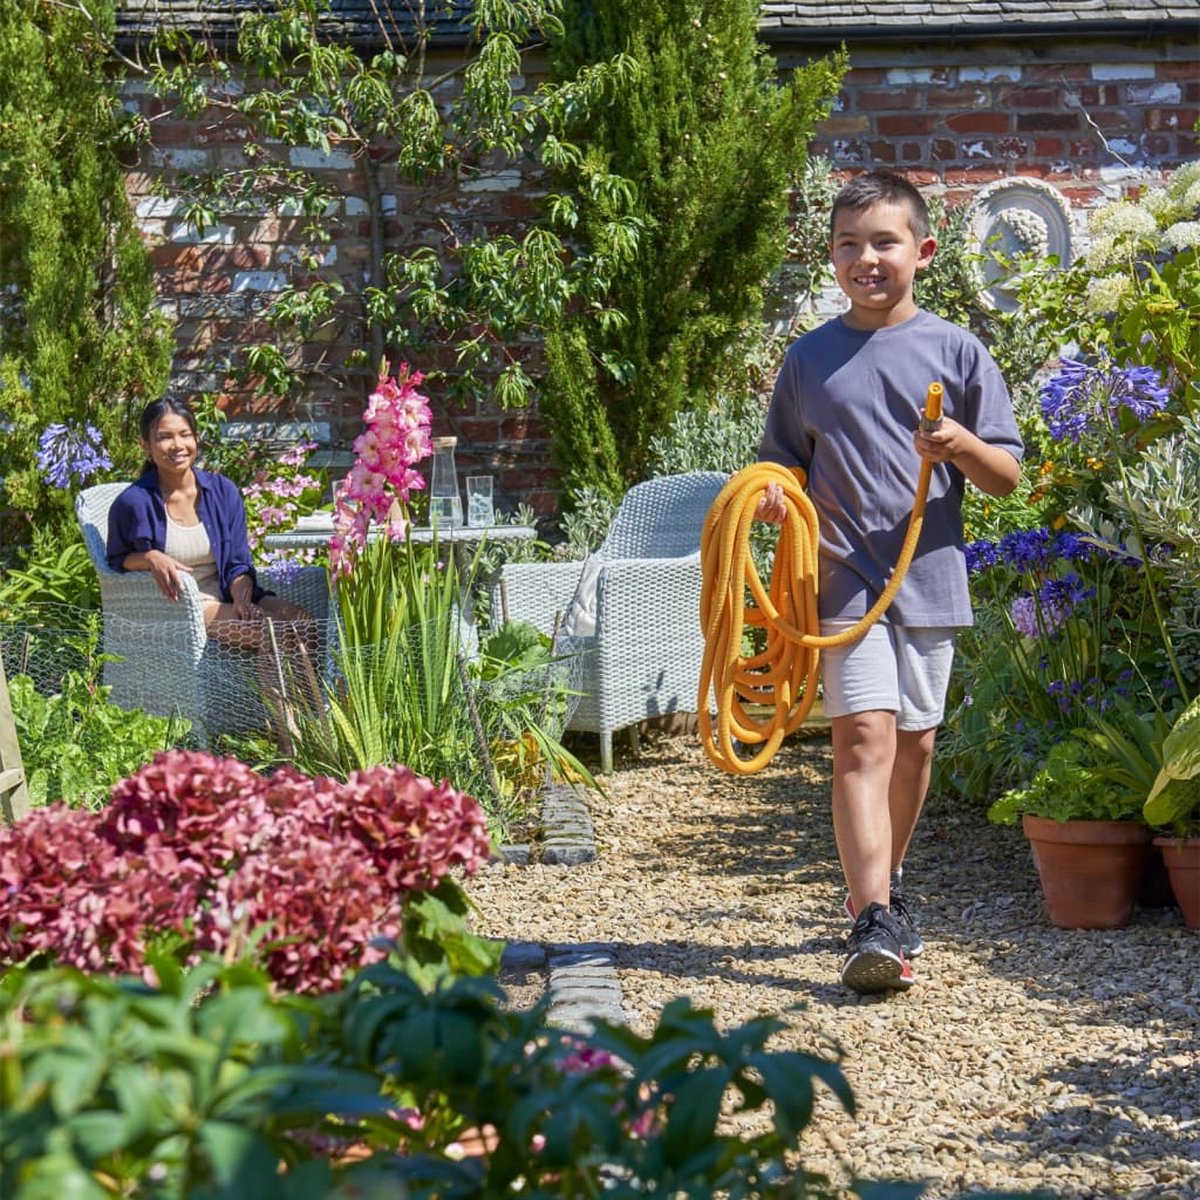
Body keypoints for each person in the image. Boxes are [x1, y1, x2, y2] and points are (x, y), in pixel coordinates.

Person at [756, 169, 1023, 994]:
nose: (865, 258)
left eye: (883, 242)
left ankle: (888, 882)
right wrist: (768, 493)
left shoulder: (957, 351)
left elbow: (1007, 475)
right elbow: (780, 462)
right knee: (862, 741)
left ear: (923, 250)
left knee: (915, 747)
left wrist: (959, 446)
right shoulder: (808, 359)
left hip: (929, 580)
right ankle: (871, 916)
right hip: (841, 585)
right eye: (848, 244)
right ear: (830, 256)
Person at [106, 397, 317, 749]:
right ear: (146, 444)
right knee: (273, 635)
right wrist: (152, 558)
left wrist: (242, 597)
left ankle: (310, 722)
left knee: (304, 623)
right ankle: (290, 743)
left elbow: (237, 561)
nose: (177, 445)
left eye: (185, 434)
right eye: (164, 437)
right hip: (186, 603)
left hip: (228, 592)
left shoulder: (222, 491)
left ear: (197, 438)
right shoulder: (133, 502)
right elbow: (116, 560)